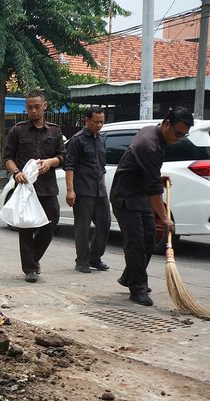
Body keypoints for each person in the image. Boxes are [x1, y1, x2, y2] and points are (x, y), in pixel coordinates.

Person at [110, 107, 191, 307]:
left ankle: (129, 276)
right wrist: (165, 218)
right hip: (126, 197)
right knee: (136, 243)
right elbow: (154, 190)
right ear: (166, 123)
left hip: (141, 196)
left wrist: (156, 177)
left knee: (148, 240)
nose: (179, 138)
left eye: (184, 135)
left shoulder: (153, 133)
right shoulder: (150, 144)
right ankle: (137, 287)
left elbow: (147, 175)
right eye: (177, 133)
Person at [4, 89, 66, 283]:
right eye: (30, 107)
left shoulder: (55, 131)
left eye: (37, 106)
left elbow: (63, 157)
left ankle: (34, 258)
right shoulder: (18, 130)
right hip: (25, 188)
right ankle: (30, 268)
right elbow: (7, 158)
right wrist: (16, 172)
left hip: (47, 187)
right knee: (26, 227)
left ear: (44, 106)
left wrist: (50, 162)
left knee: (51, 221)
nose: (33, 111)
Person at [64, 107, 110, 274]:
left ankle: (95, 257)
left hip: (100, 191)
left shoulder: (101, 139)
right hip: (83, 191)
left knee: (104, 224)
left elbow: (102, 167)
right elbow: (69, 166)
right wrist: (70, 191)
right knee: (82, 228)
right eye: (95, 122)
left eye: (101, 122)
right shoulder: (77, 140)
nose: (99, 125)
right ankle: (81, 261)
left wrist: (103, 186)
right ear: (86, 120)